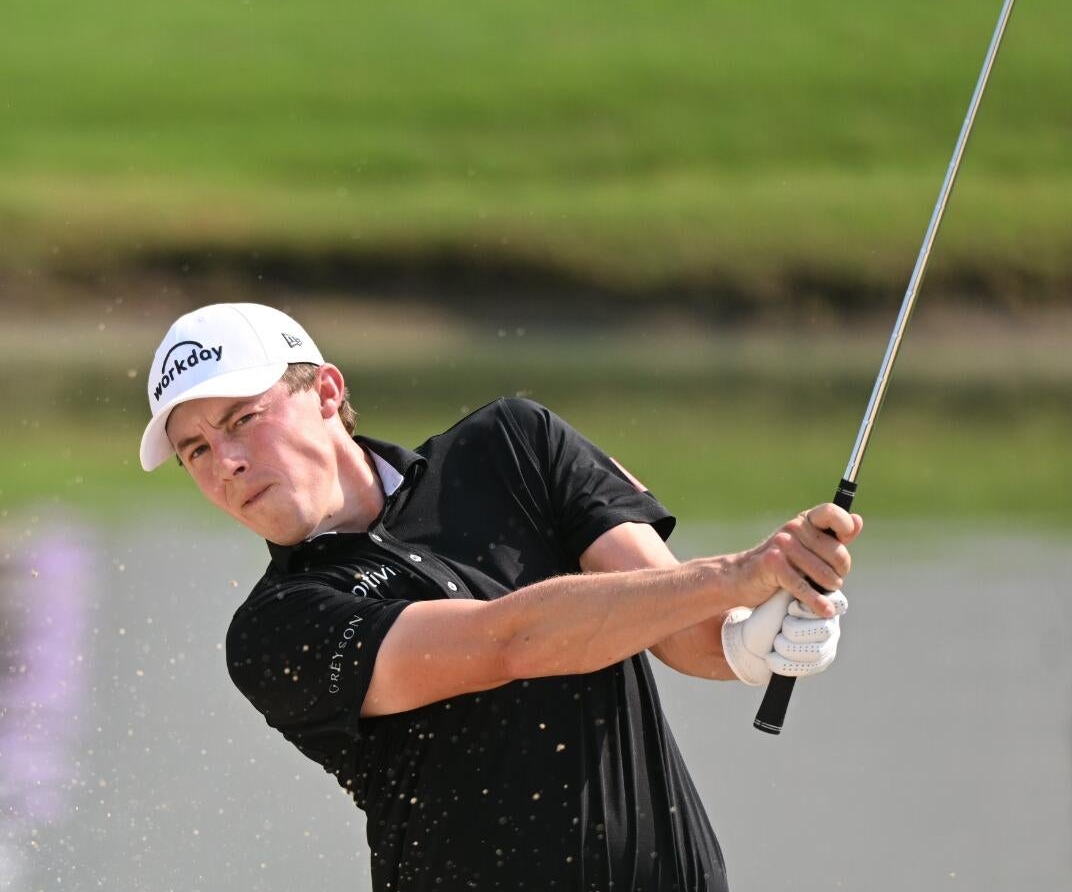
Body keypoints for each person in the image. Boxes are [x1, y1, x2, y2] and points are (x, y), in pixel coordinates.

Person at [137, 303, 859, 891]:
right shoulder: (274, 629)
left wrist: (755, 632)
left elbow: (681, 629)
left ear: (326, 392)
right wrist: (735, 575)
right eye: (195, 450)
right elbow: (507, 642)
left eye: (243, 419)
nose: (226, 463)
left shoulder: (513, 444)